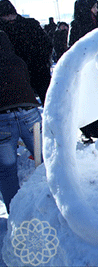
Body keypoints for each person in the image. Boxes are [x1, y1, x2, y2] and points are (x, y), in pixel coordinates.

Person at [0, 31, 42, 214]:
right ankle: (54, 202)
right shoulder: (18, 61)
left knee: (7, 171)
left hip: (2, 118)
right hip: (29, 113)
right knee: (44, 160)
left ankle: (16, 215)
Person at [0, 0, 52, 104]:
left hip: (36, 70)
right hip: (17, 75)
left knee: (49, 103)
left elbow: (47, 44)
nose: (10, 18)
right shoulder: (3, 31)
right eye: (6, 16)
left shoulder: (30, 24)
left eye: (11, 14)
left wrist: (43, 61)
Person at [68, 0, 98, 142]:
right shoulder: (76, 24)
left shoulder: (97, 22)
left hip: (97, 67)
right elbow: (73, 47)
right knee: (87, 98)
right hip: (84, 68)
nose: (96, 10)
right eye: (94, 6)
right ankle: (88, 131)